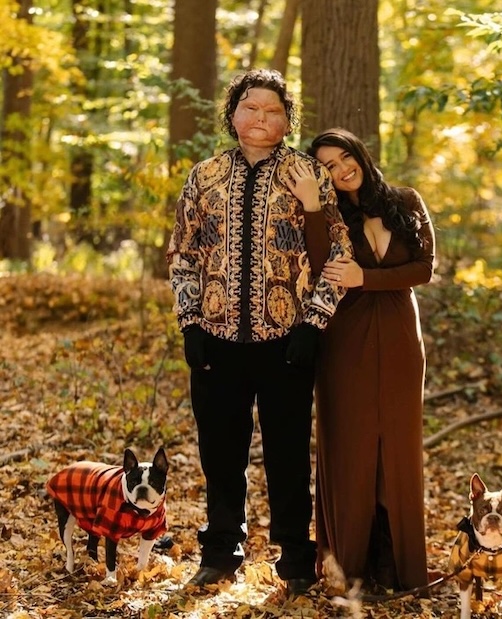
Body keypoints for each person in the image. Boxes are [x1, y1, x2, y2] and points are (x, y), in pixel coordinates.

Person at [166, 70, 352, 595]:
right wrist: (190, 323)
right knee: (219, 453)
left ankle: (295, 558)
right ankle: (221, 551)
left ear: (287, 120)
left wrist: (313, 325)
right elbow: (183, 255)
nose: (260, 118)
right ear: (232, 114)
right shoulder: (203, 177)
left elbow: (337, 255)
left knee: (288, 455)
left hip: (287, 342)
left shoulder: (308, 174)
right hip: (216, 341)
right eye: (250, 107)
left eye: (272, 110)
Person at [307, 128, 436, 592]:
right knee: (351, 448)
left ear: (359, 155)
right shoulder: (325, 216)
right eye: (327, 166)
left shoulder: (406, 200)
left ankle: (398, 566)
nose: (341, 169)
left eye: (345, 157)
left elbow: (425, 268)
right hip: (345, 341)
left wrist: (365, 277)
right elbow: (321, 268)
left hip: (401, 338)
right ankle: (351, 567)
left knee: (398, 450)